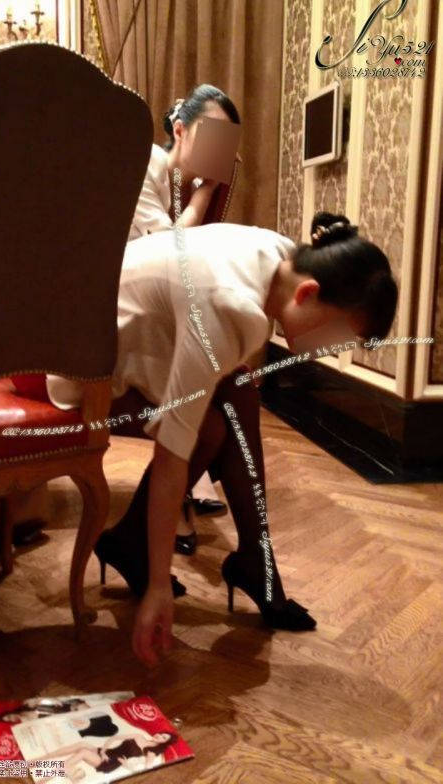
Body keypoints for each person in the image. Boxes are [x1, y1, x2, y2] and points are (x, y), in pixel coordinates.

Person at [46, 211, 398, 665]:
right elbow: (172, 453)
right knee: (208, 430)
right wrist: (158, 586)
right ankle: (195, 554)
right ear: (308, 293)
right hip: (82, 365)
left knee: (237, 389)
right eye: (337, 334)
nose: (331, 349)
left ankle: (249, 557)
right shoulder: (232, 305)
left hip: (121, 335)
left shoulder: (279, 253)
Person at [129, 83, 242, 554]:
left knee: (235, 386)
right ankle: (245, 546)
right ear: (179, 130)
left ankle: (248, 546)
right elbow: (167, 252)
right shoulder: (147, 165)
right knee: (232, 392)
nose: (219, 151)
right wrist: (206, 193)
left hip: (157, 313)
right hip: (116, 316)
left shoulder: (185, 188)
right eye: (210, 135)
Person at [29, 731, 177, 780]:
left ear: (164, 743)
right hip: (107, 753)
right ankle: (38, 761)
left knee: (83, 752)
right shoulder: (138, 736)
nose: (159, 736)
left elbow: (145, 771)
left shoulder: (151, 753)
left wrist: (127, 765)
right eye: (161, 734)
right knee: (82, 744)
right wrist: (104, 751)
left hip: (111, 763)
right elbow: (114, 738)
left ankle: (46, 778)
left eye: (163, 738)